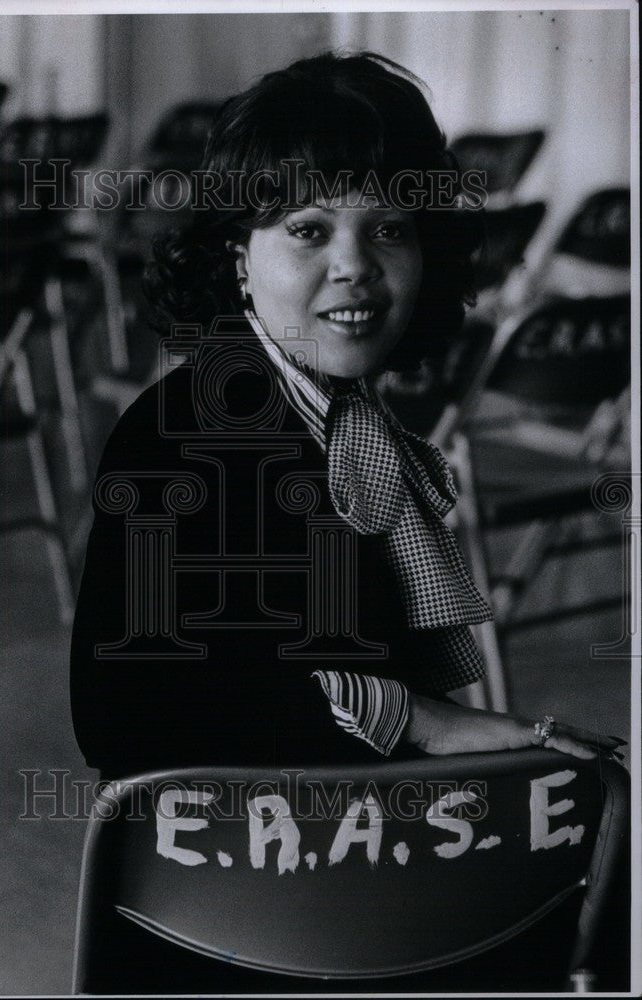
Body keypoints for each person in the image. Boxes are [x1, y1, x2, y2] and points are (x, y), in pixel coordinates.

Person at [69, 49, 627, 994]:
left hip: (358, 877)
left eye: (390, 229)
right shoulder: (178, 435)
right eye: (307, 228)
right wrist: (421, 721)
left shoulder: (355, 428)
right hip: (254, 922)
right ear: (234, 260)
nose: (355, 268)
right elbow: (128, 723)